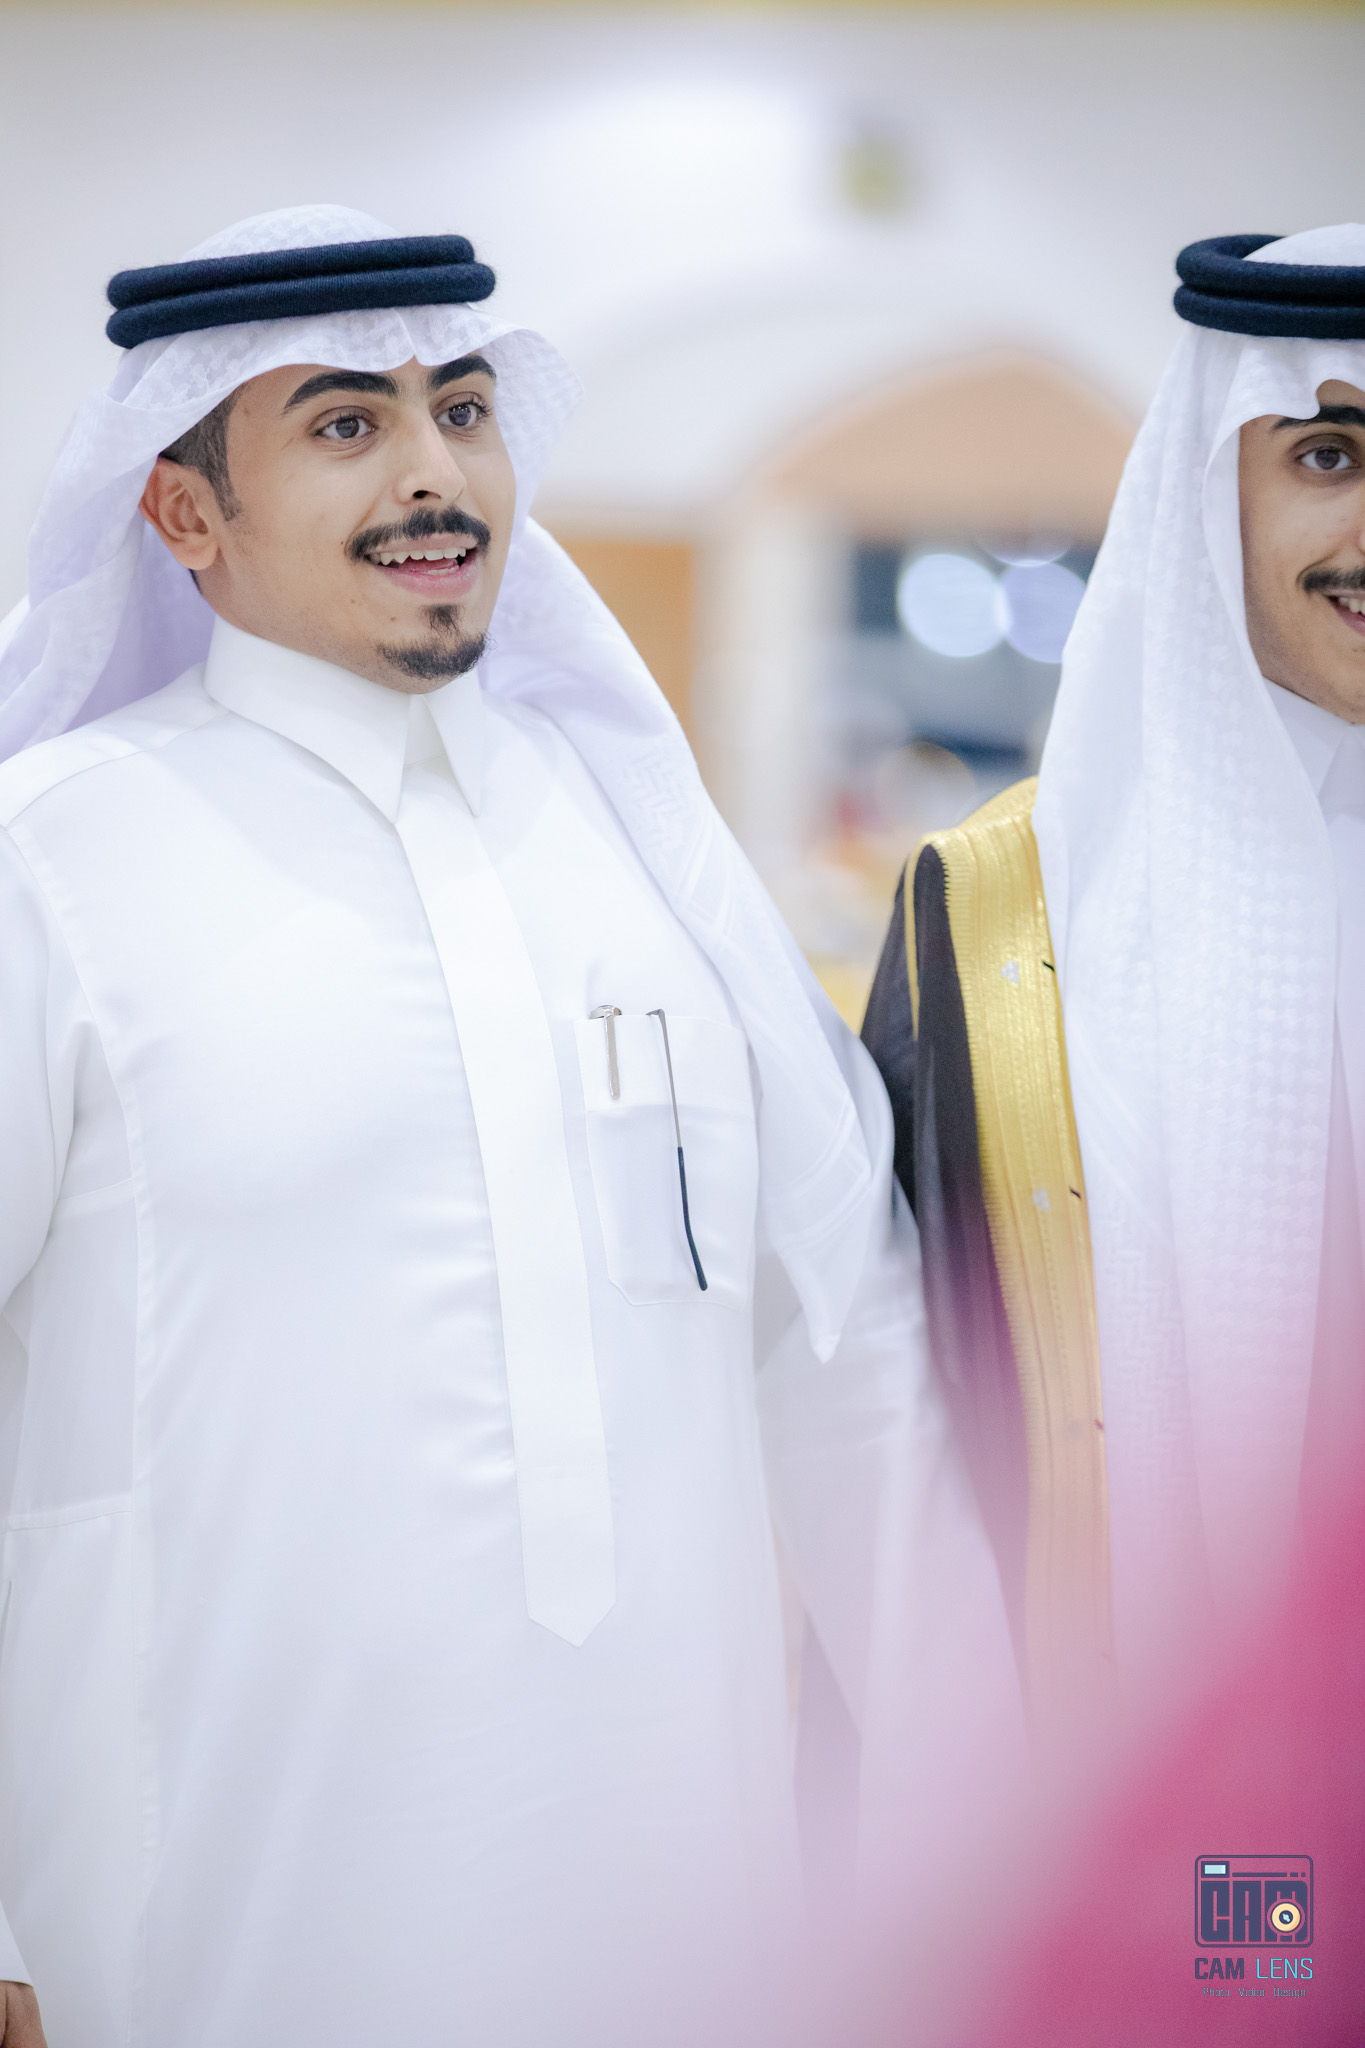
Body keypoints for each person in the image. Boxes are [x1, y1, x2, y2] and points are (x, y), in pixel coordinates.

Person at [0, 206, 1017, 2048]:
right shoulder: (52, 859)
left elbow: (842, 1349)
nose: (434, 474)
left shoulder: (640, 848)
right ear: (182, 513)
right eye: (345, 423)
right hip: (208, 1911)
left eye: (461, 411)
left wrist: (991, 1854)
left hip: (677, 1912)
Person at [862, 223, 1365, 1712]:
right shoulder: (1003, 913)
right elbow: (912, 1429)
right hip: (1152, 1747)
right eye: (1327, 456)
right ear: (1208, 492)